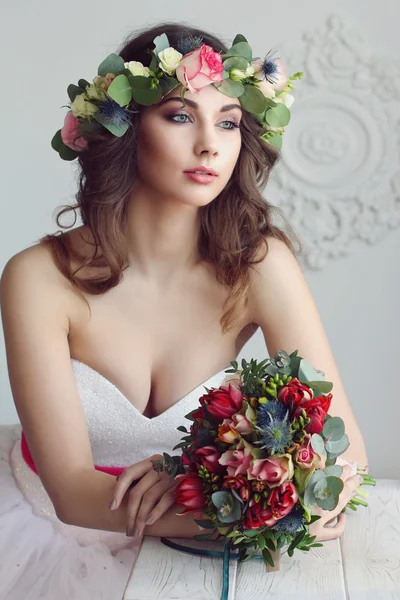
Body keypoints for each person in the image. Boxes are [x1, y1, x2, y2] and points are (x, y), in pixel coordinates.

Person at [0, 21, 368, 600]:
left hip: (199, 553)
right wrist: (276, 520)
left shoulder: (260, 266)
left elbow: (344, 459)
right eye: (179, 116)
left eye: (227, 122)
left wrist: (206, 493)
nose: (210, 145)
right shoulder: (38, 278)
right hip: (45, 536)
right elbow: (72, 496)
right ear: (123, 130)